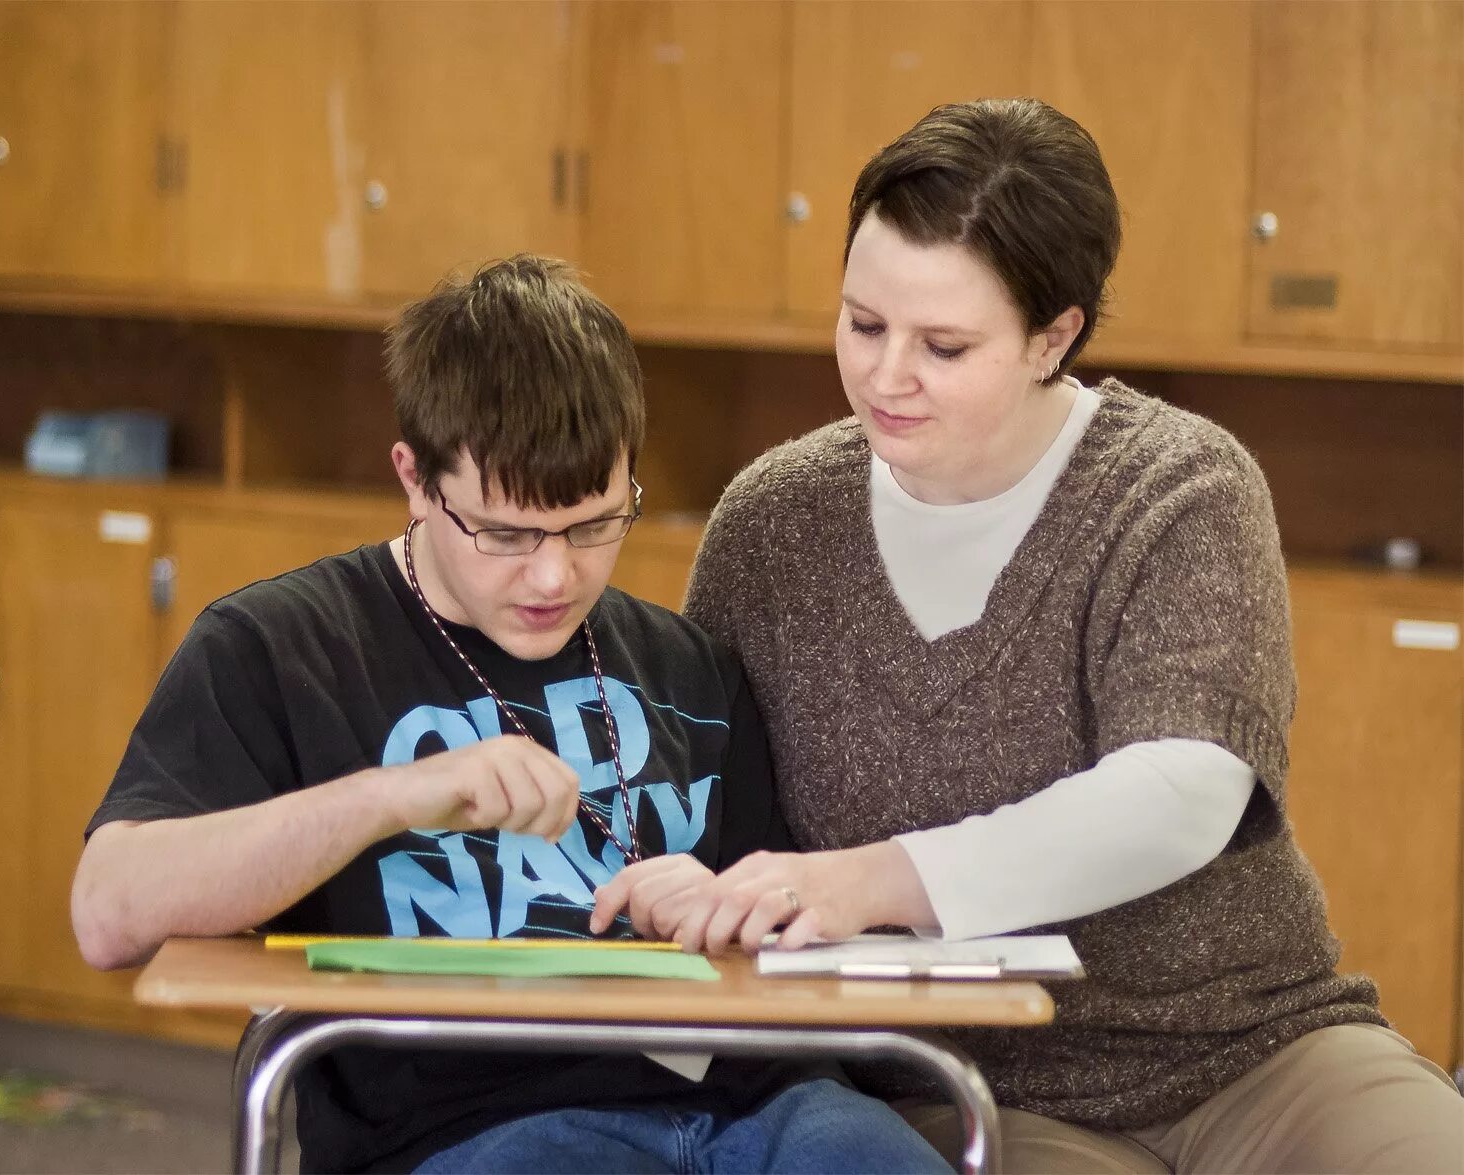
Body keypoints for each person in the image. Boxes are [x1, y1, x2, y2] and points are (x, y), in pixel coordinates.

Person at [596, 99, 1464, 1173]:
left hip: (1257, 1049)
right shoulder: (774, 524)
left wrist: (867, 879)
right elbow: (697, 798)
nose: (884, 374)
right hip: (966, 1084)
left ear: (1056, 336)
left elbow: (1183, 790)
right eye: (863, 324)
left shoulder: (1178, 485)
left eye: (944, 345)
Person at [70, 256, 953, 1175]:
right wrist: (389, 796)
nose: (553, 577)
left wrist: (727, 909)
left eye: (594, 525)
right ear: (415, 479)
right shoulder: (280, 648)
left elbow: (788, 945)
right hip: (478, 1126)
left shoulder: (691, 666)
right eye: (505, 533)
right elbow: (109, 914)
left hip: (761, 1100)